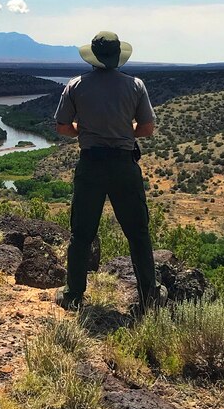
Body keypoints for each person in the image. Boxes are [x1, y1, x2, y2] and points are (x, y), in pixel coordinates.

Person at [54, 31, 159, 318]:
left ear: (93, 57)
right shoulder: (135, 85)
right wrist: (125, 133)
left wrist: (85, 133)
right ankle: (149, 297)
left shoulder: (75, 85)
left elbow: (62, 127)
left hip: (91, 164)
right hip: (124, 165)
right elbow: (147, 129)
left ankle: (74, 295)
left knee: (82, 233)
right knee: (138, 234)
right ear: (117, 57)